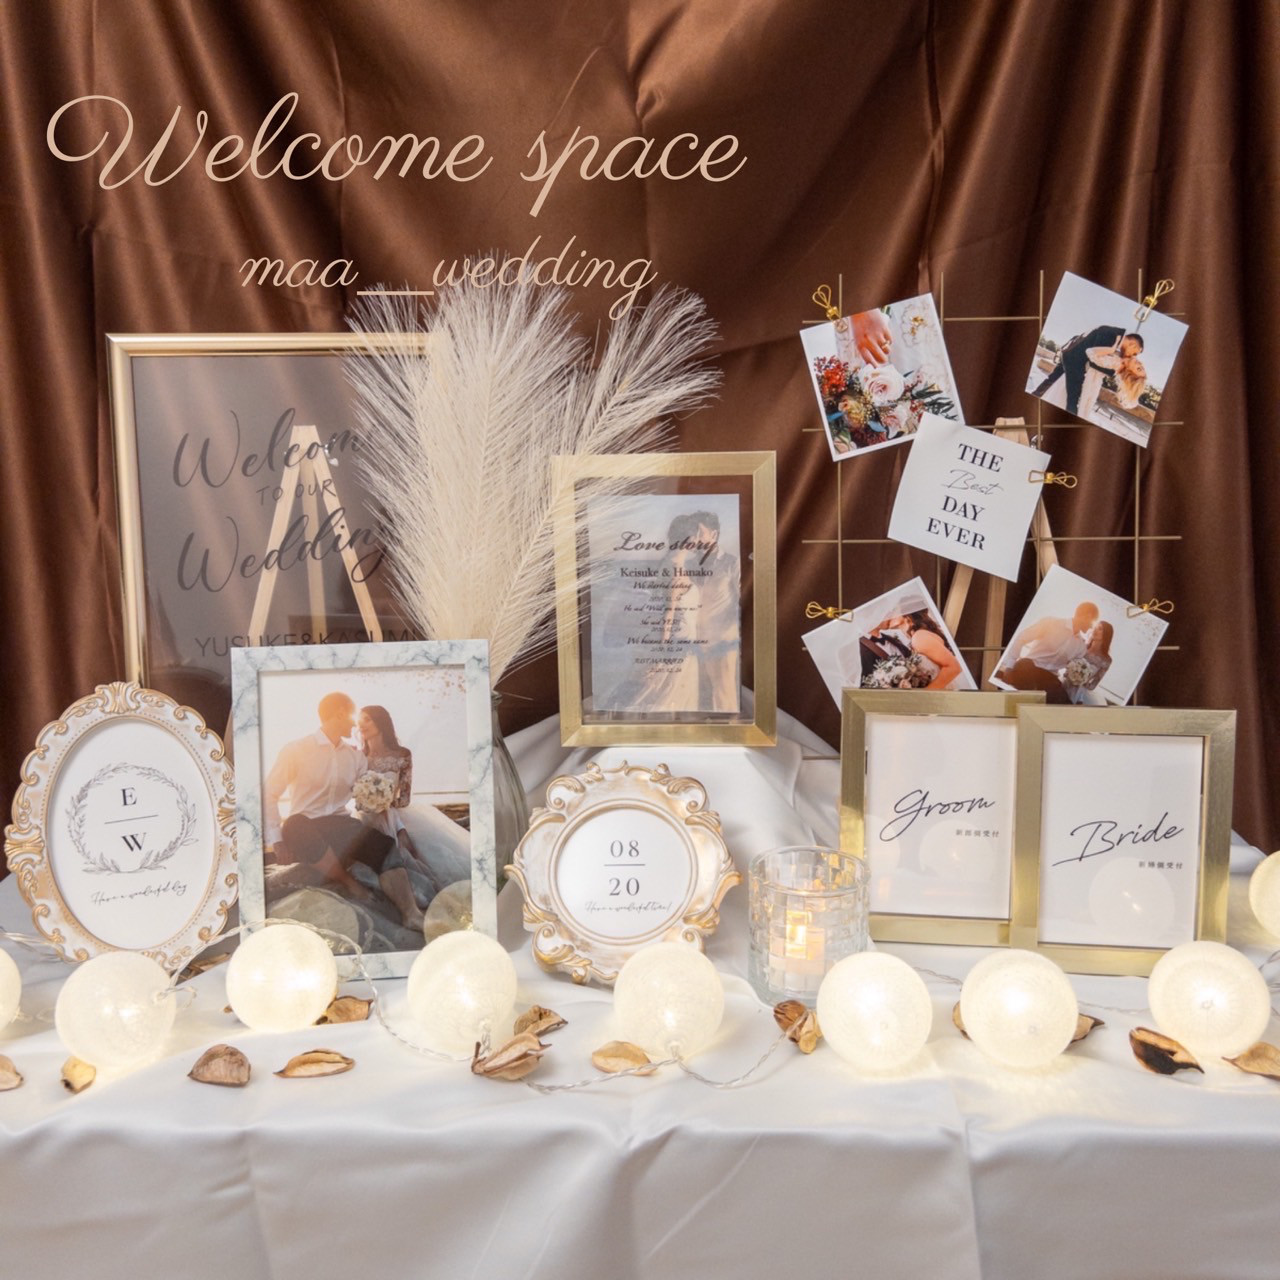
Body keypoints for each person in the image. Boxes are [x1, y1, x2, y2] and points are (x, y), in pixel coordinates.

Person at [263, 691, 393, 903]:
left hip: (341, 826)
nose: (355, 724)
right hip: (305, 829)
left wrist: (377, 798)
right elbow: (269, 793)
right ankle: (349, 883)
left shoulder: (356, 756)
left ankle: (410, 910)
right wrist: (276, 840)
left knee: (383, 843)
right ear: (340, 714)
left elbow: (364, 798)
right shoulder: (296, 749)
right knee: (294, 824)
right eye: (352, 716)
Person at [355, 705, 429, 931]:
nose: (361, 724)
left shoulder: (402, 755)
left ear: (381, 722)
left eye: (367, 719)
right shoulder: (357, 757)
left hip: (391, 815)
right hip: (364, 818)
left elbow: (404, 798)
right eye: (360, 720)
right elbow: (351, 795)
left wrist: (384, 805)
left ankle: (412, 908)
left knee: (411, 852)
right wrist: (368, 803)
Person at [994, 601, 1099, 704]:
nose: (1091, 627)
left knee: (1065, 703)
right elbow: (1021, 638)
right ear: (1087, 616)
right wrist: (1009, 666)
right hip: (1030, 666)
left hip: (1051, 678)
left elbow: (1076, 673)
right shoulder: (1051, 623)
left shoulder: (1081, 646)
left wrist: (1079, 698)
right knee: (1030, 686)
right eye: (1093, 622)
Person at [1034, 327, 1143, 417]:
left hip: (1070, 353)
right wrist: (1112, 370)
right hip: (1075, 361)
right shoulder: (1111, 336)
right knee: (1072, 400)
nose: (1132, 356)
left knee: (1051, 381)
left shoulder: (1114, 334)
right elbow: (1093, 360)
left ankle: (1034, 397)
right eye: (1134, 353)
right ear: (1132, 345)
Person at [865, 610, 964, 690]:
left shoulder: (919, 637)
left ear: (906, 612)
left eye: (893, 610)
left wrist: (924, 696)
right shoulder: (915, 637)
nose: (888, 614)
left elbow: (954, 667)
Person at [1079, 342, 1147, 420]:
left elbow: (1090, 352)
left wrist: (1111, 349)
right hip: (1090, 382)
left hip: (1088, 378)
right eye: (1142, 367)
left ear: (1130, 373)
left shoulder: (1116, 364)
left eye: (1139, 369)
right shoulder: (1124, 356)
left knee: (1083, 409)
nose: (1140, 364)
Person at [1061, 620, 1114, 704]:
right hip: (1065, 683)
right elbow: (1068, 663)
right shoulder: (1082, 647)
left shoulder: (1106, 660)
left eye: (1100, 629)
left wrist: (1081, 681)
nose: (1095, 630)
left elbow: (1094, 683)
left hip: (1080, 693)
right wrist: (1070, 673)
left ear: (1106, 635)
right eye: (1095, 627)